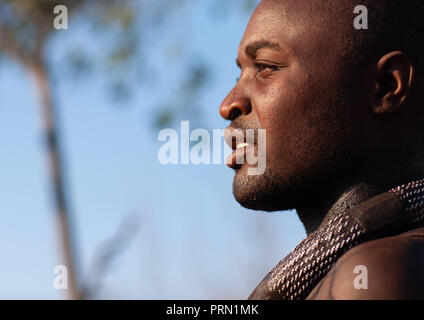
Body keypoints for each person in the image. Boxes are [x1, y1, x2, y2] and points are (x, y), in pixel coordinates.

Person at [219, 0, 424, 300]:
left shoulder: (372, 276)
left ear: (384, 87)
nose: (228, 104)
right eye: (240, 74)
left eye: (265, 68)